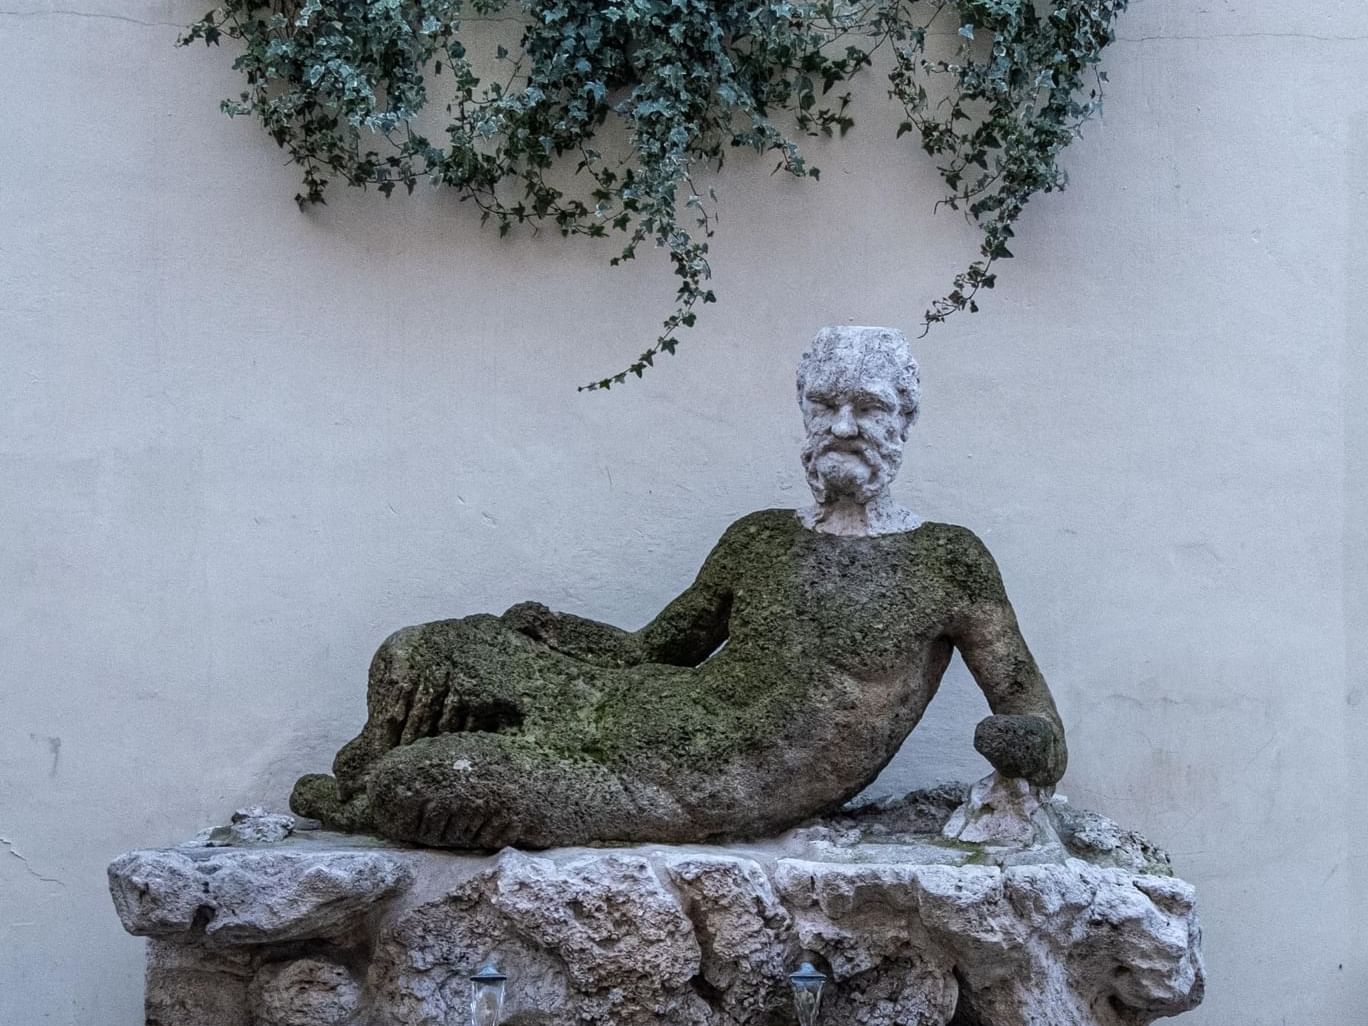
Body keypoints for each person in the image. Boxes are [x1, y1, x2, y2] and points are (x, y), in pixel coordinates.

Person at [292, 325, 1067, 848]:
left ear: (905, 417)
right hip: (626, 706)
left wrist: (1023, 747)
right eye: (824, 405)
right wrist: (555, 630)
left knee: (418, 786)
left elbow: (1035, 715)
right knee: (424, 648)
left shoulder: (947, 560)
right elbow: (650, 650)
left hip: (673, 786)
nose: (841, 427)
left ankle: (364, 799)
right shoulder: (759, 536)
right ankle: (365, 759)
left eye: (866, 407)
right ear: (803, 410)